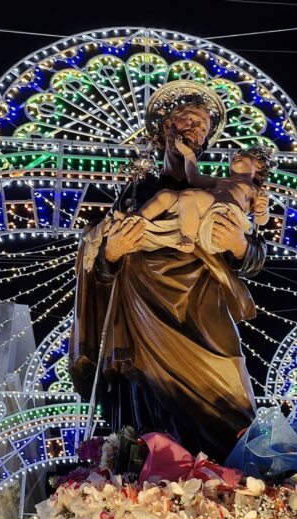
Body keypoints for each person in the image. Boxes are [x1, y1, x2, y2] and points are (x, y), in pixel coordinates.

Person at [70, 81, 269, 460]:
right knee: (152, 408)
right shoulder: (137, 191)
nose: (196, 127)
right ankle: (155, 486)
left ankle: (231, 486)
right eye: (187, 119)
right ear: (165, 127)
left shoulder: (222, 190)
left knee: (230, 402)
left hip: (205, 306)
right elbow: (97, 261)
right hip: (144, 311)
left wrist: (239, 246)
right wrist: (112, 251)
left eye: (203, 124)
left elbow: (255, 253)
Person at [132, 140, 274, 254]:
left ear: (259, 166)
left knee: (189, 196)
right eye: (237, 153)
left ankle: (188, 237)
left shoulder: (254, 189)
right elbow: (195, 178)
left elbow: (261, 221)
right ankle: (135, 220)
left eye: (243, 154)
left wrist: (262, 210)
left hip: (224, 213)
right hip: (205, 203)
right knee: (165, 196)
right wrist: (189, 156)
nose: (236, 154)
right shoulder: (221, 181)